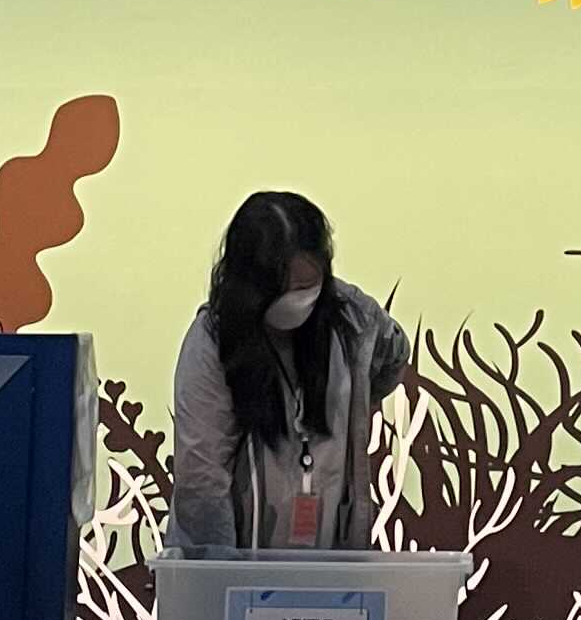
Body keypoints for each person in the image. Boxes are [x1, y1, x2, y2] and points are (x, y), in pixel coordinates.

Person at [169, 189, 407, 556]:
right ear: (252, 287)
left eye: (310, 286)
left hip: (332, 553)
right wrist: (219, 574)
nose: (302, 299)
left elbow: (393, 358)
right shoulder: (211, 341)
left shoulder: (352, 318)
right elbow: (202, 479)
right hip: (242, 561)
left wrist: (349, 405)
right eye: (289, 289)